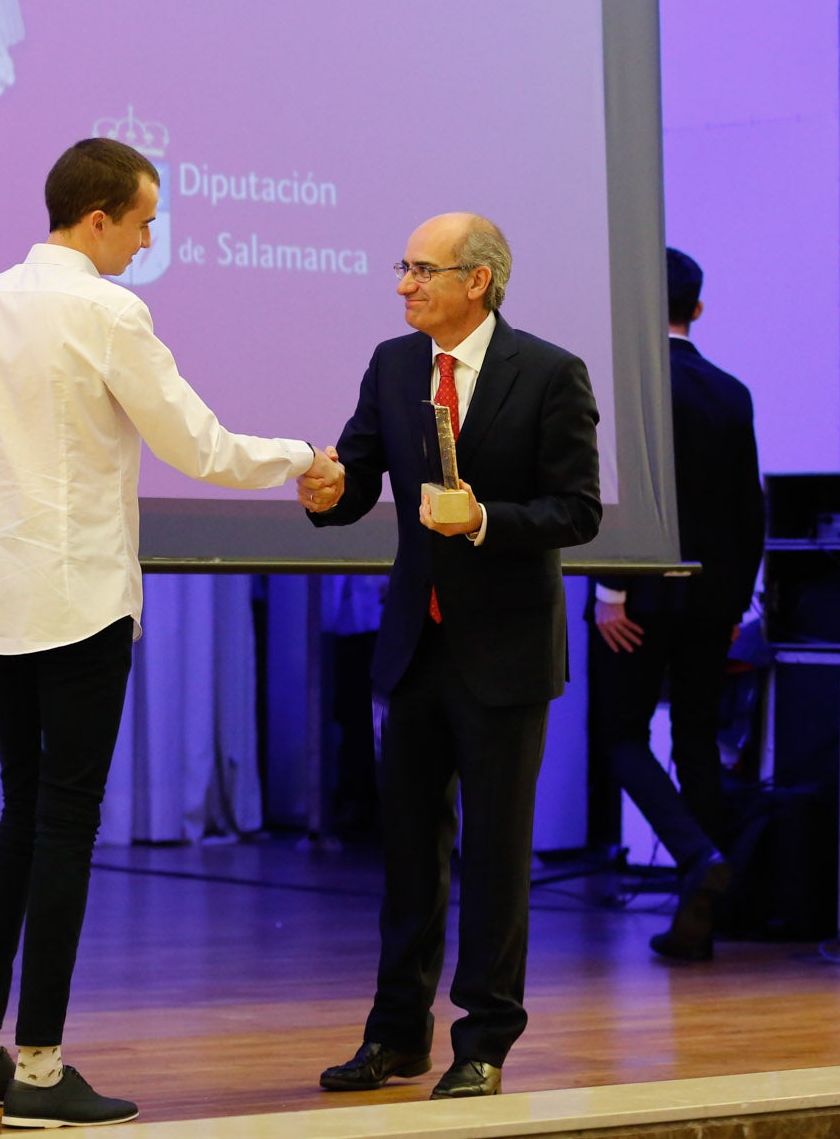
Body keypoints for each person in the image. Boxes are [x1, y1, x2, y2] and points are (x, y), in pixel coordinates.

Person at [0, 136, 342, 1128]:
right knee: (62, 823)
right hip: (82, 603)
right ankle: (43, 1074)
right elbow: (199, 445)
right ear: (96, 216)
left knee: (24, 817)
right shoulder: (107, 310)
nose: (149, 242)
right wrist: (296, 458)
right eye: (144, 221)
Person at [301, 213, 601, 1099]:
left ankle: (485, 1041)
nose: (403, 284)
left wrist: (484, 520)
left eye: (421, 269)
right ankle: (396, 1034)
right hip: (415, 645)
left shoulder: (549, 372)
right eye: (403, 266)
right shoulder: (394, 366)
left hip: (505, 651)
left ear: (478, 280)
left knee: (496, 855)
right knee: (406, 853)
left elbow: (577, 510)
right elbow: (355, 478)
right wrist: (329, 489)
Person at [588, 247, 763, 960]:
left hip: (637, 594)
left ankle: (694, 855)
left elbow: (615, 491)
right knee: (694, 735)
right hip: (713, 597)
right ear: (696, 309)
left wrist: (609, 588)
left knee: (620, 733)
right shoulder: (732, 391)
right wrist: (733, 603)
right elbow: (750, 510)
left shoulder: (626, 383)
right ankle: (703, 918)